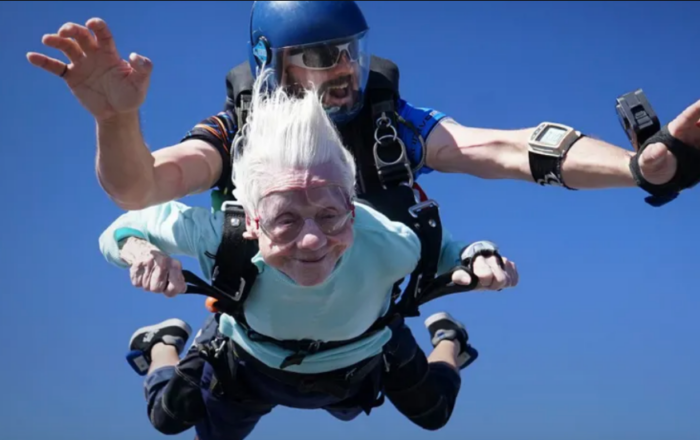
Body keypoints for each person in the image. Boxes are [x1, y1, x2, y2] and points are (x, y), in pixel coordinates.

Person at [98, 72, 520, 439]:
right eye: (286, 220)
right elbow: (121, 229)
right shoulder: (219, 234)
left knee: (434, 412)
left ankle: (450, 341)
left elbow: (447, 248)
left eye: (330, 215)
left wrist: (481, 256)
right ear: (251, 222)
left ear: (354, 211)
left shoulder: (391, 240)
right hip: (249, 360)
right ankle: (160, 343)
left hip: (361, 356)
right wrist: (144, 254)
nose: (314, 240)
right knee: (169, 416)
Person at [26, 1, 700, 215]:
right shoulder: (238, 131)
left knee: (423, 401)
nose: (343, 68)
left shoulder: (387, 123)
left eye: (349, 50)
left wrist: (640, 168)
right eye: (319, 56)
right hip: (258, 319)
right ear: (271, 64)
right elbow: (142, 186)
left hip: (365, 322)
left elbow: (506, 149)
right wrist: (115, 122)